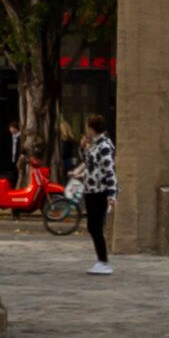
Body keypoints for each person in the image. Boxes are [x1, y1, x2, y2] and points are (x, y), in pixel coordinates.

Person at [76, 114, 118, 274]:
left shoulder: (105, 146)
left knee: (95, 227)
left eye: (88, 126)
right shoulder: (94, 145)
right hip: (91, 190)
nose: (86, 130)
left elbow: (110, 171)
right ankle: (101, 260)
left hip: (100, 191)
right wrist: (82, 148)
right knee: (92, 226)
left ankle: (103, 261)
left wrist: (111, 194)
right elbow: (88, 164)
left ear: (92, 128)